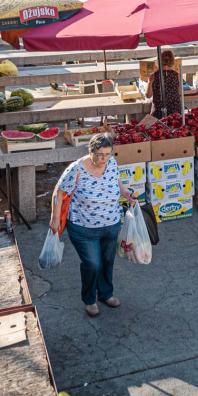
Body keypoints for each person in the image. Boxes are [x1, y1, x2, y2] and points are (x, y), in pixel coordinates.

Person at [50, 134, 139, 316]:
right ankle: (89, 299)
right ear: (90, 151)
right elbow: (58, 193)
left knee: (107, 261)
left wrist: (127, 194)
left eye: (107, 154)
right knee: (92, 264)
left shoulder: (111, 163)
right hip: (83, 228)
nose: (103, 159)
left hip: (111, 224)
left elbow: (118, 184)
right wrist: (55, 218)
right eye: (99, 155)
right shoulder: (76, 169)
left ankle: (106, 294)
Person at [146, 50, 182, 119]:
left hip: (159, 111)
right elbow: (179, 94)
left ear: (159, 60)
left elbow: (148, 95)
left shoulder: (153, 76)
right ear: (172, 61)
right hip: (175, 112)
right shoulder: (177, 75)